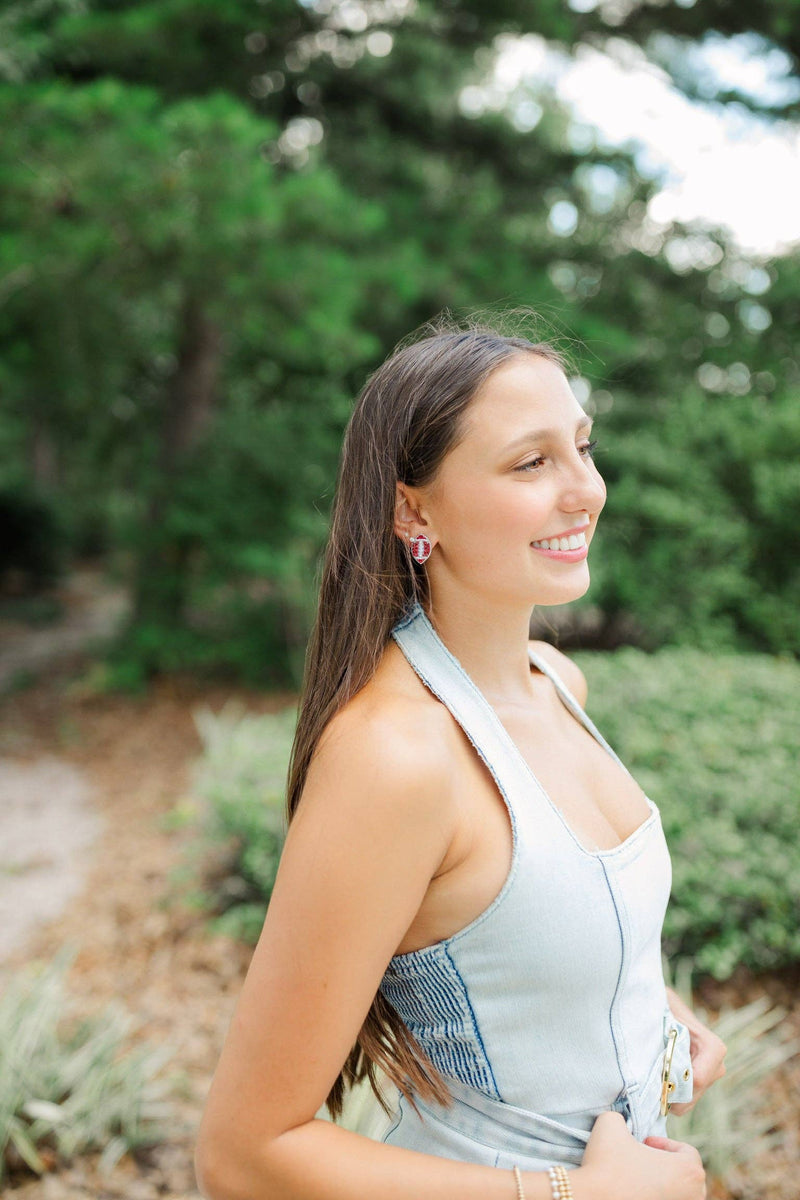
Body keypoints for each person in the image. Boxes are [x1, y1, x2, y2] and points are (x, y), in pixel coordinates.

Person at [195, 318, 726, 1200]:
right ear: (414, 509)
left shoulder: (555, 682)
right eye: (531, 463)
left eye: (582, 449)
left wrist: (655, 1021)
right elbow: (245, 1152)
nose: (585, 491)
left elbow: (530, 943)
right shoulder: (396, 759)